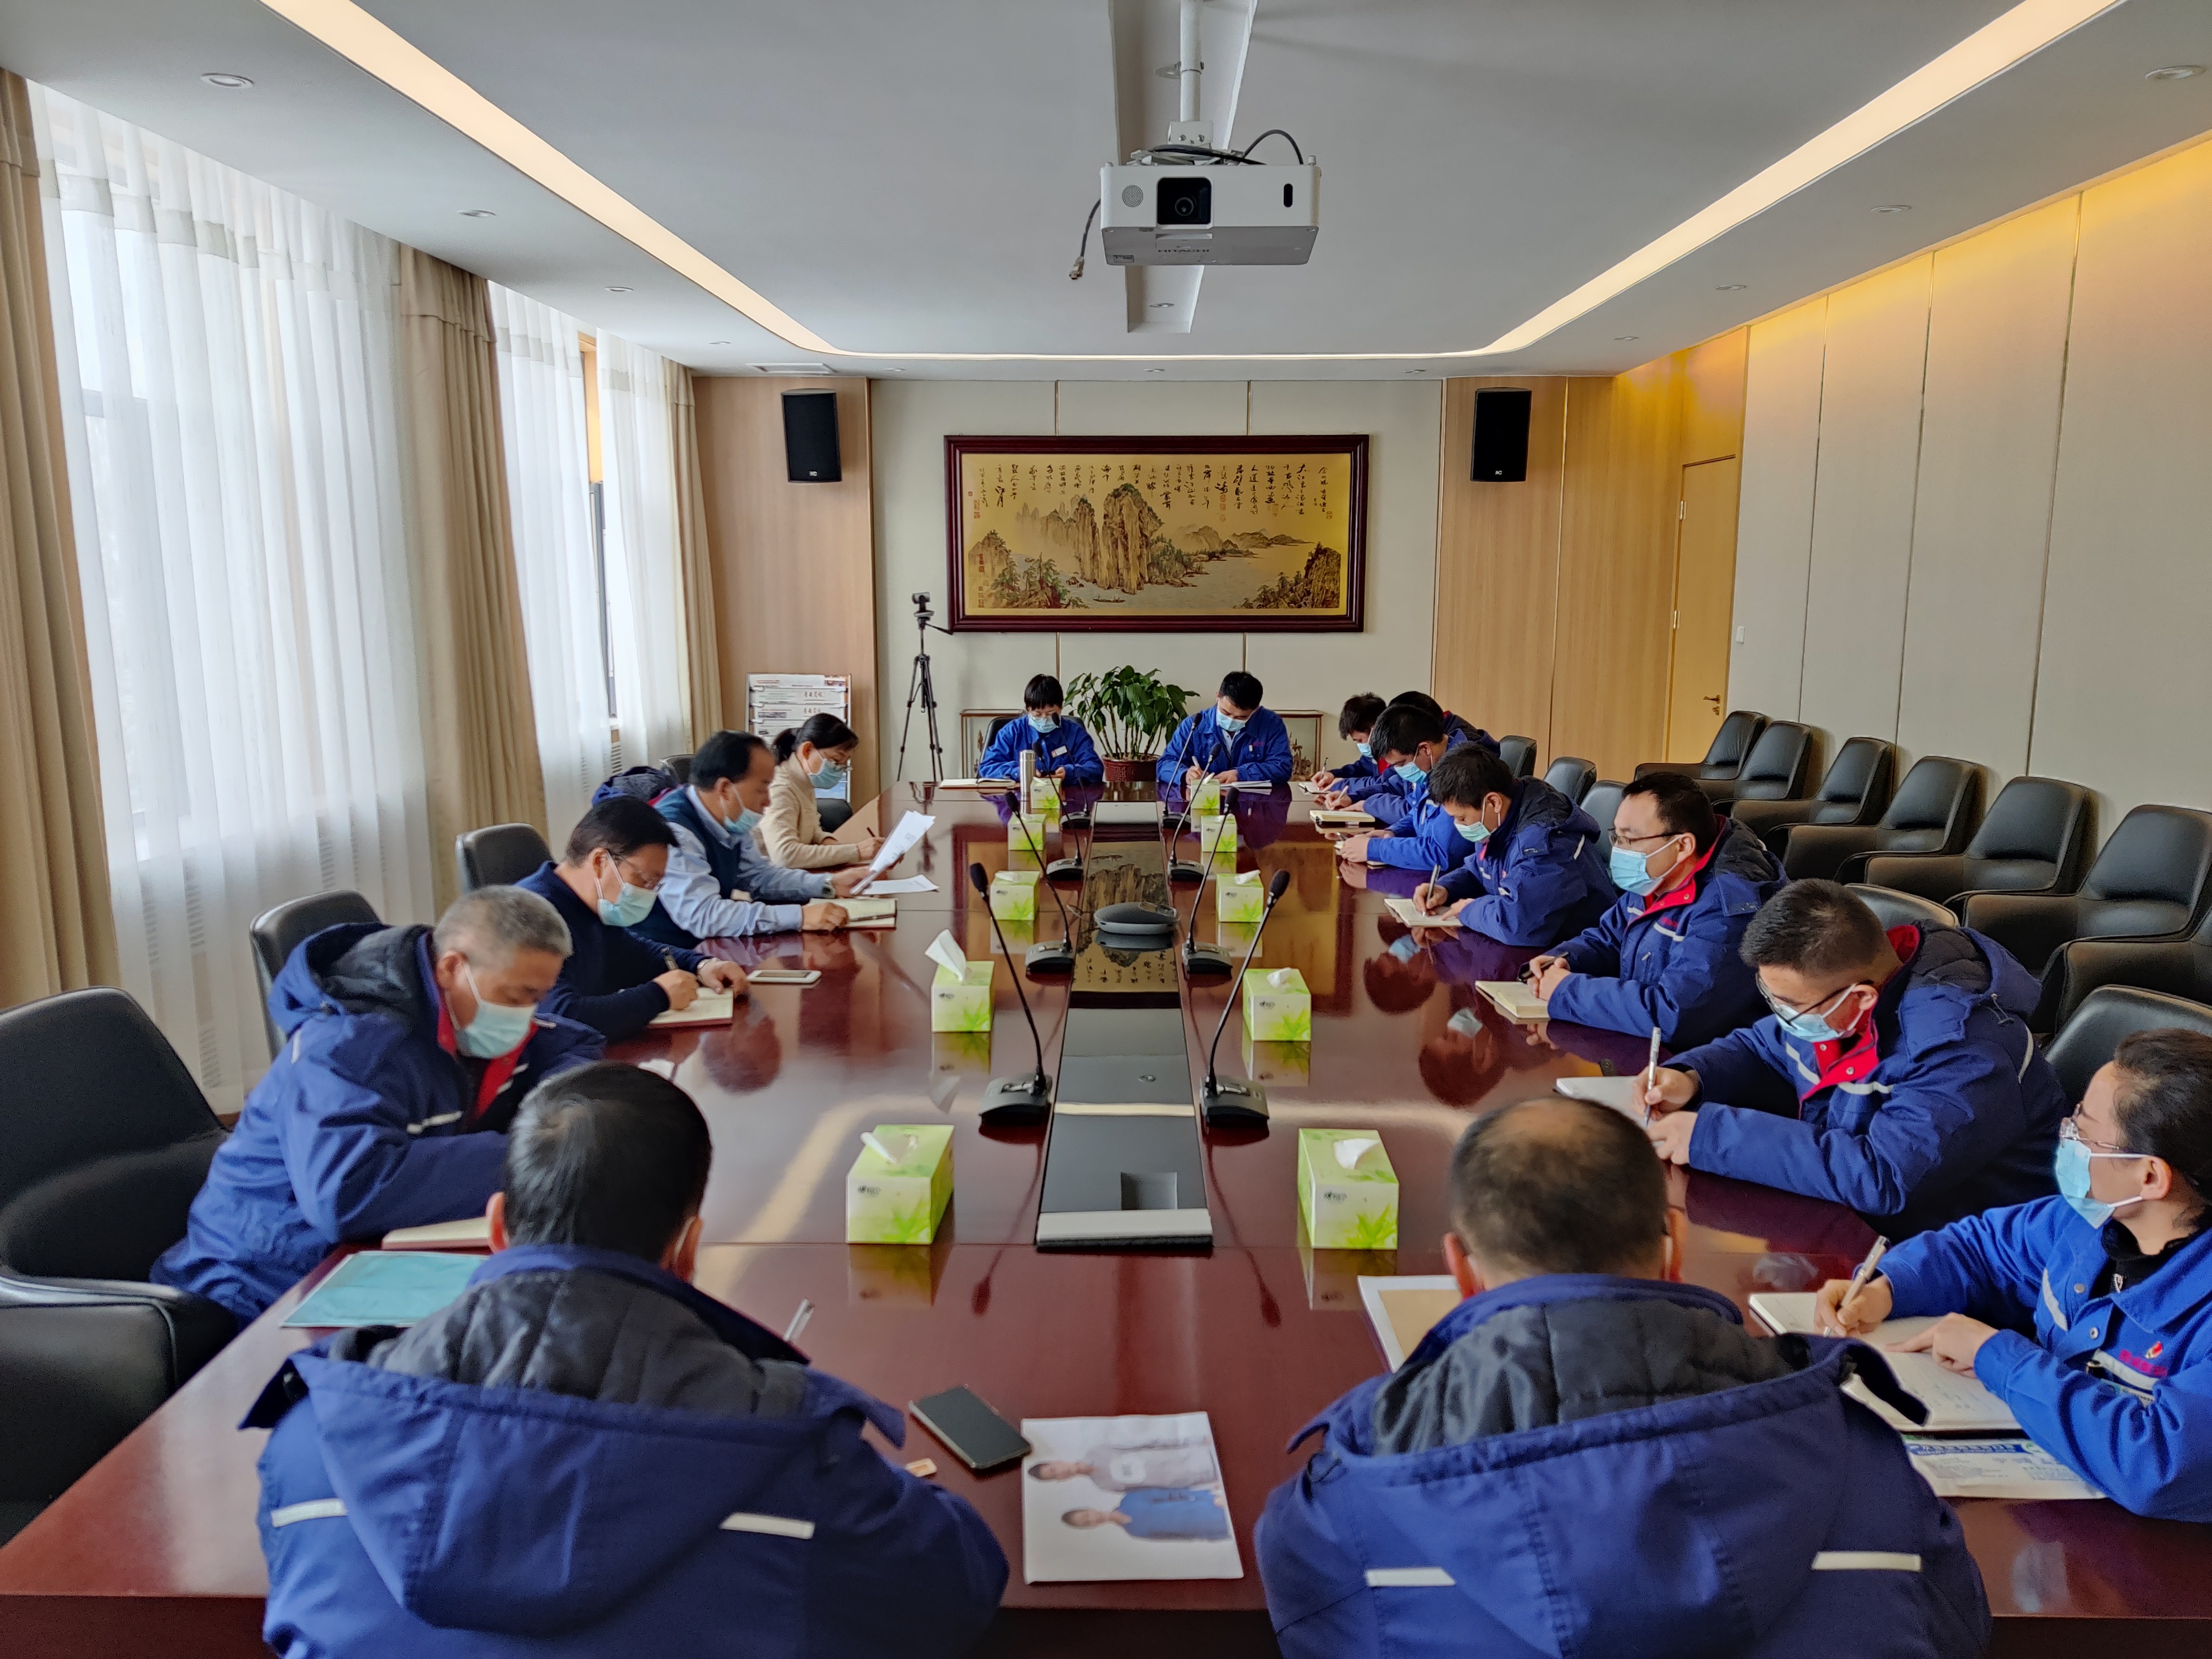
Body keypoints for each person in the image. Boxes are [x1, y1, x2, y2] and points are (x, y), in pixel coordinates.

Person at [251, 1063, 1007, 1657]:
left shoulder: (312, 1436)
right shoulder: (787, 1454)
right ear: (687, 1248)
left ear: (496, 1228)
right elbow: (955, 1597)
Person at [1255, 1097, 1990, 1659]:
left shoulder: (1356, 1491)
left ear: (1462, 1272)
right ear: (1675, 1249)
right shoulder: (1864, 1463)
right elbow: (1955, 1627)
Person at [151, 889, 604, 1326]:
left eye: (537, 998)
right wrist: (540, 1151)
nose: (526, 1014)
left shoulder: (461, 1013)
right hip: (262, 1280)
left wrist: (550, 1113)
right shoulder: (345, 1047)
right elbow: (347, 1190)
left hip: (369, 1257)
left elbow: (574, 1042)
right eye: (516, 997)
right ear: (452, 967)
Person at [1816, 1027, 2212, 1522]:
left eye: (2083, 1133)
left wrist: (1998, 1358)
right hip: (2058, 1507)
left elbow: (2159, 1465)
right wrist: (1889, 1287)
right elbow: (1978, 1250)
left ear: (2149, 1176)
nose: (2068, 1139)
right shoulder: (2087, 1223)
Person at [1642, 879, 2067, 1234]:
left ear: (1861, 998)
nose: (1779, 1011)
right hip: (1848, 1215)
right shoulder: (1839, 1000)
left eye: (1790, 1004)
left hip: (1947, 1253)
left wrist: (1710, 1136)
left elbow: (1883, 1174)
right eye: (1771, 997)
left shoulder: (1966, 1050)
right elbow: (1764, 1046)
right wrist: (1691, 1077)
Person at [1526, 770, 1783, 1046]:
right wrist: (1565, 958)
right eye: (1617, 837)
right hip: (1642, 1040)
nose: (1619, 850)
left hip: (1695, 1058)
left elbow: (1675, 1014)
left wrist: (1568, 991)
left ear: (1682, 845)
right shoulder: (1657, 876)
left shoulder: (1729, 908)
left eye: (1630, 839)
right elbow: (1610, 938)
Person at [517, 797, 749, 1041]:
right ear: (600, 862)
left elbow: (638, 954)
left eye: (656, 884)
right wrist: (660, 996)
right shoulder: (534, 916)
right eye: (644, 880)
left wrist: (703, 965)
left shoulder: (590, 905)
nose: (649, 893)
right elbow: (561, 1017)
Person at [633, 729, 862, 949]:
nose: (769, 801)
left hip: (711, 949)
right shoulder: (675, 830)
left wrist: (828, 884)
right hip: (669, 955)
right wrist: (799, 917)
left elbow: (759, 876)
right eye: (762, 789)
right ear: (725, 789)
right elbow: (704, 916)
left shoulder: (728, 816)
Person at [1391, 745, 1613, 948]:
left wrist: (1469, 911)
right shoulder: (1503, 817)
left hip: (1574, 958)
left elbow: (1518, 925)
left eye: (1462, 818)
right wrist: (1445, 888)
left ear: (1493, 802)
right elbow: (1479, 870)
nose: (1459, 826)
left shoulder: (1547, 843)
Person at [760, 713, 883, 872]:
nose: (839, 769)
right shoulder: (780, 789)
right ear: (807, 750)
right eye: (835, 761)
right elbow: (784, 856)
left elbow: (811, 830)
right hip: (770, 878)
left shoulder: (803, 781)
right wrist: (857, 851)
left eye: (844, 764)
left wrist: (838, 848)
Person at [1155, 669, 1293, 787]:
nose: (1231, 721)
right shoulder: (1194, 725)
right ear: (1218, 696)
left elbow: (1282, 767)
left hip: (1252, 805)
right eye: (1226, 713)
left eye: (1241, 717)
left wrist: (1241, 774)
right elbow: (1165, 764)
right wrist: (1185, 774)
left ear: (1255, 709)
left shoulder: (1271, 725)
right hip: (1204, 803)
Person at [977, 674, 1104, 785]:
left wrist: (1069, 772)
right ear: (1028, 709)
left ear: (1061, 708)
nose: (1044, 719)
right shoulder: (1012, 732)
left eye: (1050, 714)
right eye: (1038, 714)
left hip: (1064, 799)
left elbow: (1095, 768)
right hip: (1020, 799)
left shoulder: (1075, 733)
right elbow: (988, 767)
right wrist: (1020, 773)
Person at [1029, 1437, 1220, 1490]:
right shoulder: (1104, 1485)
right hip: (1198, 1478)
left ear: (1057, 1462)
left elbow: (1149, 1443)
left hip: (1196, 1453)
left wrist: (1197, 1441)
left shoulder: (1099, 1450)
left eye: (1053, 1469)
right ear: (1061, 1480)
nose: (1060, 1472)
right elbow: (1152, 1489)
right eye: (1055, 1476)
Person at [1062, 1490, 1231, 1540]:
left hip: (1214, 1507)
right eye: (1087, 1522)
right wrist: (1218, 1536)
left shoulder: (1131, 1499)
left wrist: (1210, 1497)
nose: (1093, 1519)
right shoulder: (1134, 1532)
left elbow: (1175, 1493)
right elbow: (1181, 1536)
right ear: (1091, 1527)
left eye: (1087, 1515)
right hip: (1217, 1529)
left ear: (1089, 1509)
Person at [1309, 692, 1386, 790]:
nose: (1360, 745)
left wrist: (1345, 784)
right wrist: (1333, 775)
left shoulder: (1397, 755)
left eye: (1360, 740)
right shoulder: (1375, 754)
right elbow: (1361, 769)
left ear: (1375, 729)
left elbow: (1384, 784)